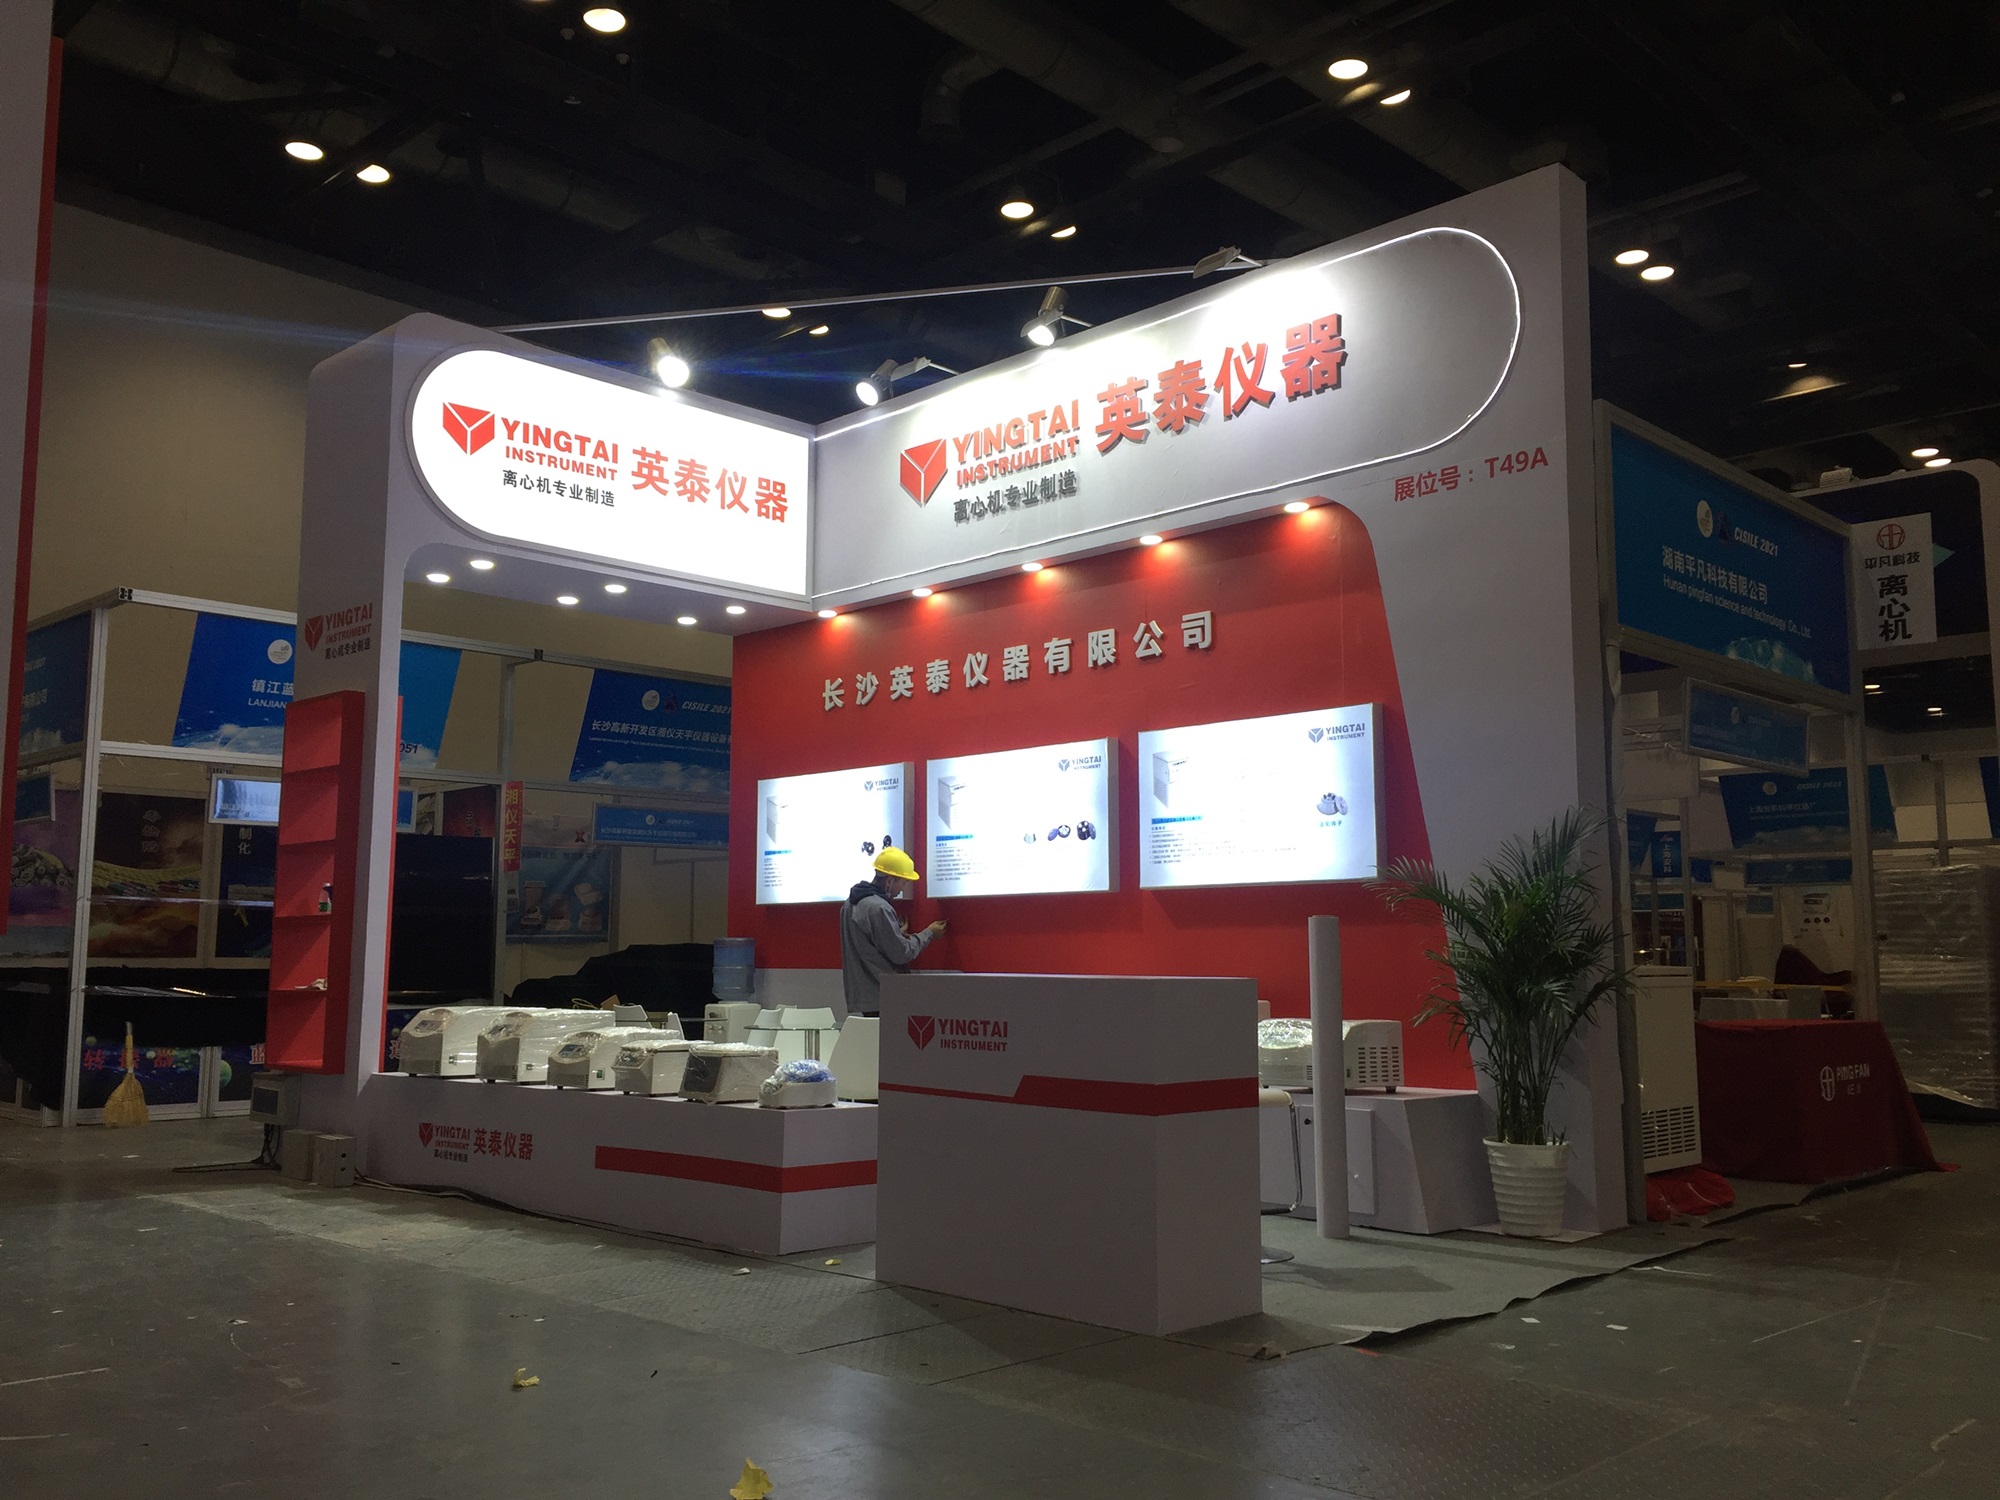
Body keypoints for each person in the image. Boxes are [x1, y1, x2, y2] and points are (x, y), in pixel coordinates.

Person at [840, 847, 945, 1017]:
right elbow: (901, 953)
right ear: (889, 881)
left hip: (865, 997)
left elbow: (868, 943)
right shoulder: (880, 908)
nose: (901, 889)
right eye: (903, 883)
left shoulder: (848, 905)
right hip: (885, 995)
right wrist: (930, 932)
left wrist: (896, 932)